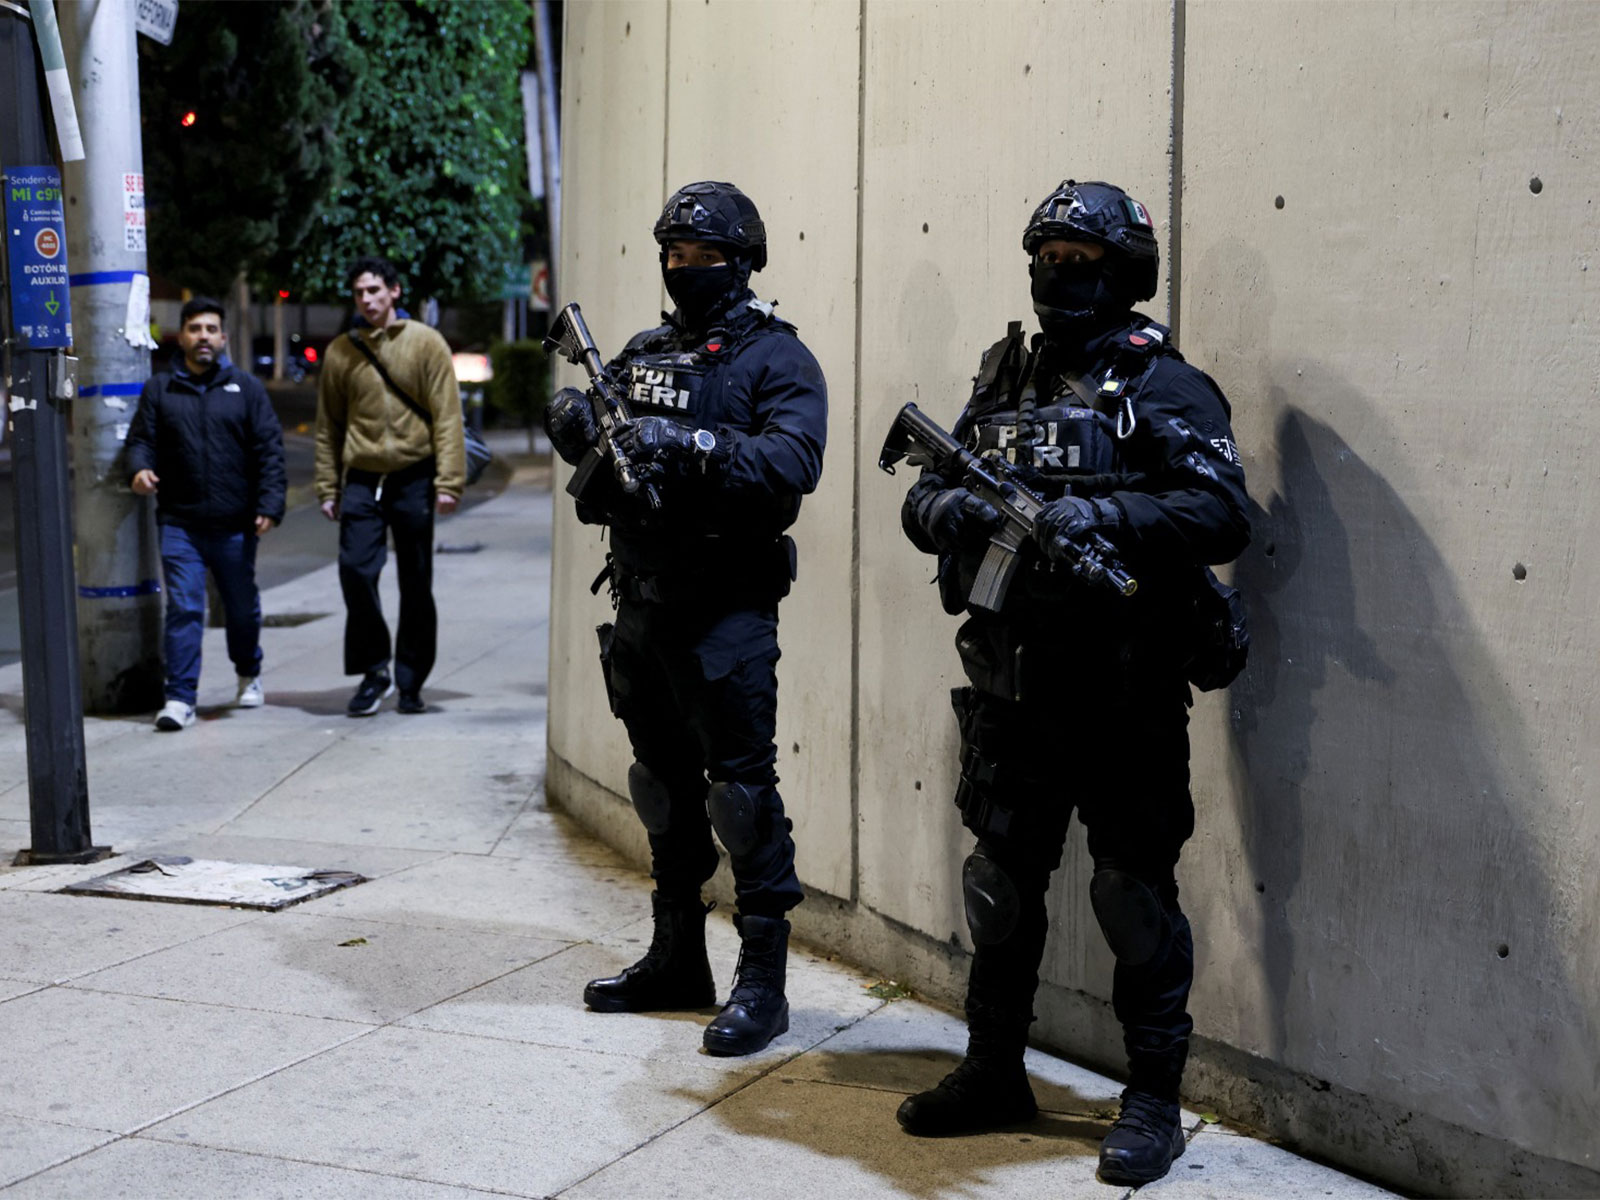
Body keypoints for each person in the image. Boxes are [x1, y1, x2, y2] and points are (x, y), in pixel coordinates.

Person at [893, 180, 1250, 1184]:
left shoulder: (1161, 385)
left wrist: (1109, 519)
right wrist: (945, 515)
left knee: (1131, 897)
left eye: (1081, 261)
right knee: (998, 889)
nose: (1060, 275)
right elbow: (928, 488)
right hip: (1013, 689)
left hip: (1125, 692)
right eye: (1047, 257)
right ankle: (993, 1070)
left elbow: (1220, 513)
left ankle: (1150, 1100)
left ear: (1124, 273)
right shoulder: (1004, 377)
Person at [544, 181, 827, 1056]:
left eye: (703, 257)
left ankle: (764, 982)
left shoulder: (777, 359)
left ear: (743, 263)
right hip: (643, 605)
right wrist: (578, 423)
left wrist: (691, 444)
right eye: (673, 256)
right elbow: (605, 447)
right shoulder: (642, 351)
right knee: (662, 790)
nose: (685, 270)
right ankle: (677, 959)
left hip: (725, 613)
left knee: (740, 797)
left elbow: (792, 462)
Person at [126, 296, 286, 731]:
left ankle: (248, 672)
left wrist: (270, 505)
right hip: (181, 523)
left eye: (211, 330)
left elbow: (269, 450)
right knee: (184, 609)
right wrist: (139, 469)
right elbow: (142, 439)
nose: (203, 337)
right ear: (183, 335)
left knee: (240, 608)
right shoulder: (161, 389)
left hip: (236, 524)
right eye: (195, 329)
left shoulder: (246, 389)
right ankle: (179, 699)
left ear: (223, 338)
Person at [315, 255, 465, 717]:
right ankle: (373, 671)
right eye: (360, 293)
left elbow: (447, 415)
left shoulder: (426, 343)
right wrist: (327, 487)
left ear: (394, 292)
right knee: (355, 571)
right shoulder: (342, 350)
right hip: (362, 479)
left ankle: (411, 681)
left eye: (375, 291)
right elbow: (329, 426)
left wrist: (449, 482)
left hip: (414, 476)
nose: (367, 300)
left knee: (415, 582)